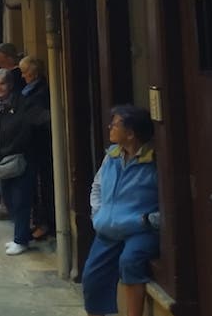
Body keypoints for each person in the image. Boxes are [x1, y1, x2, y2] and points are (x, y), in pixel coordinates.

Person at [82, 105, 159, 316]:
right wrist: (97, 214)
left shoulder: (153, 161)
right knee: (91, 276)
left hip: (140, 228)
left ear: (131, 133)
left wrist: (148, 220)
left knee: (130, 261)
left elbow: (168, 202)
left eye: (115, 125)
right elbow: (97, 186)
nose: (110, 128)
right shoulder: (113, 155)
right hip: (108, 226)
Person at [0, 68, 43, 255]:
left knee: (21, 200)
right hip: (2, 158)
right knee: (9, 199)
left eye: (2, 84)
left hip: (21, 158)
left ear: (10, 85)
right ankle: (22, 234)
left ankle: (21, 239)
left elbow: (31, 124)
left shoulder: (23, 102)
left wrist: (16, 146)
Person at [19, 56, 53, 240]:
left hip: (40, 145)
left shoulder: (39, 93)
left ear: (32, 73)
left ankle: (44, 223)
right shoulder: (30, 90)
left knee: (42, 186)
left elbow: (40, 117)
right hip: (33, 145)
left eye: (25, 73)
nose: (23, 76)